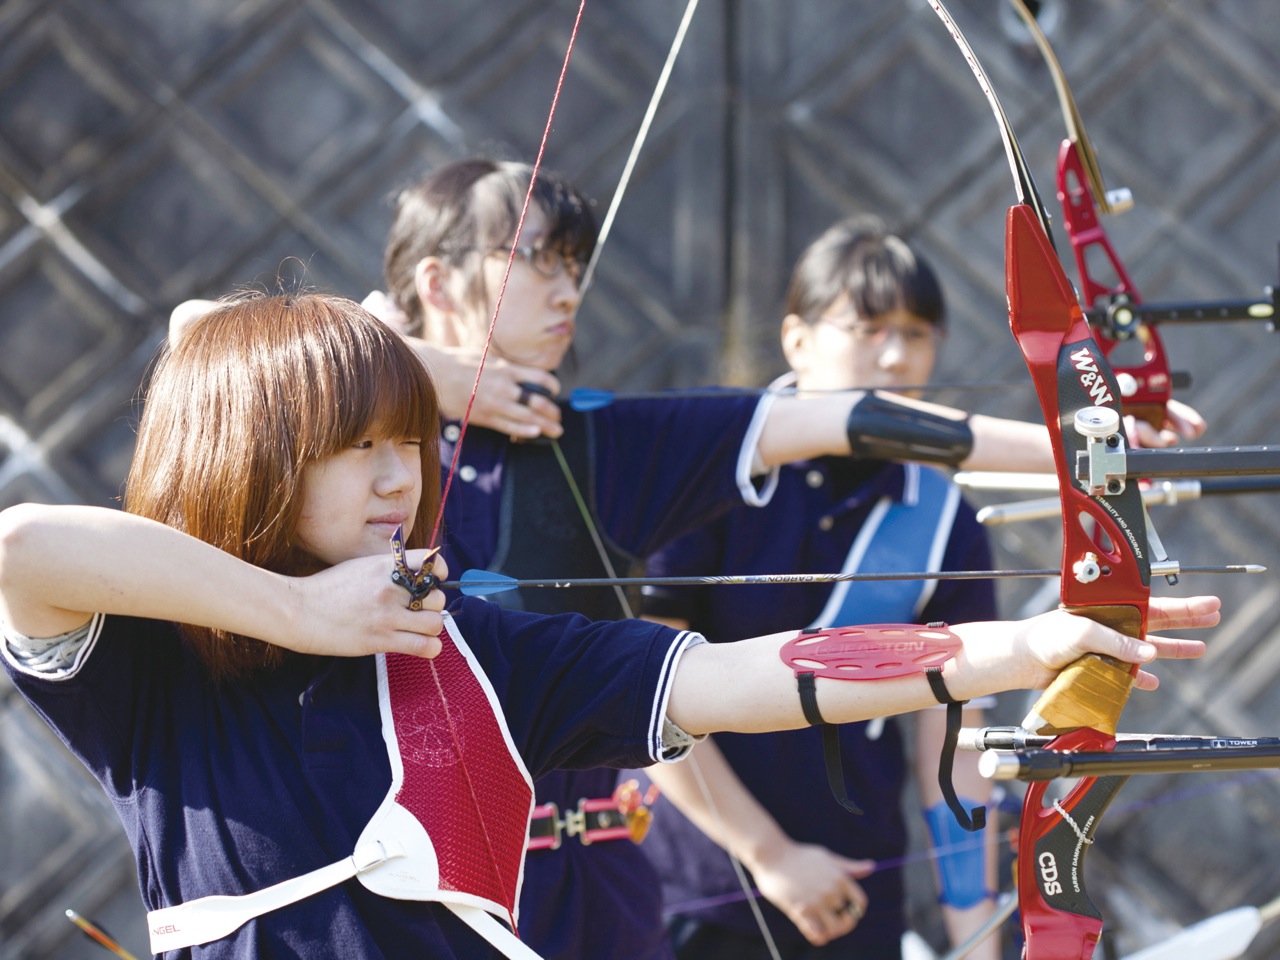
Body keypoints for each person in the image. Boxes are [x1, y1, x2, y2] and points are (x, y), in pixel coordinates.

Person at [0, 292, 1216, 960]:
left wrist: (1033, 644)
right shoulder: (155, 671)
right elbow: (22, 548)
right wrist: (296, 614)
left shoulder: (464, 646)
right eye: (351, 451)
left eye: (406, 450)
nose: (396, 484)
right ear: (252, 462)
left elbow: (751, 676)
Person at [366, 157, 1209, 959]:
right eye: (537, 261)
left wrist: (1084, 442)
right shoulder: (342, 430)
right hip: (429, 884)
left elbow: (836, 421)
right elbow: (237, 342)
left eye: (573, 264)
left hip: (606, 888)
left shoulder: (606, 440)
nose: (569, 289)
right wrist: (399, 363)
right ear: (437, 282)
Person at [637, 216, 999, 959]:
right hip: (700, 889)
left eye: (918, 332)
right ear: (797, 339)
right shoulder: (712, 470)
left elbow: (954, 749)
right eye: (868, 328)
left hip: (859, 887)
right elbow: (640, 693)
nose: (897, 357)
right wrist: (770, 856)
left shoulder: (944, 521)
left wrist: (976, 932)